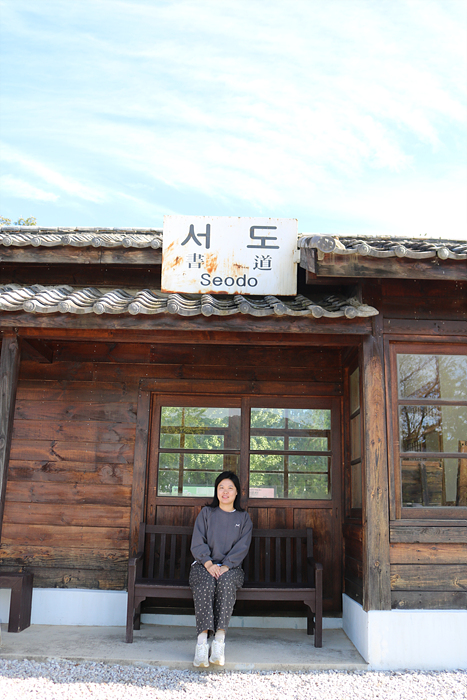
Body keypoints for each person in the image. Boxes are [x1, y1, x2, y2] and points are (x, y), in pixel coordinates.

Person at [189, 470, 253, 668]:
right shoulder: (206, 513)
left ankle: (219, 643)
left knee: (225, 583)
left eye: (230, 488)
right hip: (203, 566)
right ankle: (201, 645)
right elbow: (197, 542)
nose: (225, 492)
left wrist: (226, 566)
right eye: (221, 487)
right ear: (216, 491)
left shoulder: (243, 518)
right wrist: (208, 564)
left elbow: (242, 547)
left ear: (237, 492)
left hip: (231, 569)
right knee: (206, 582)